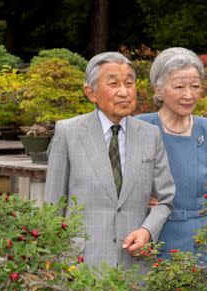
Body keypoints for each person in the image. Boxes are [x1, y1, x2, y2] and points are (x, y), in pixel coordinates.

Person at [45, 52, 175, 270]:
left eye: (129, 83)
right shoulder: (68, 132)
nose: (124, 92)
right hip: (81, 265)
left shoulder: (150, 135)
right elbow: (53, 205)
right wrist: (50, 260)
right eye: (113, 84)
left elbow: (166, 199)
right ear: (91, 93)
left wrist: (146, 231)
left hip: (135, 265)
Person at [136, 47, 207, 262]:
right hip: (156, 236)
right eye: (179, 86)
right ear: (159, 89)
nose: (188, 95)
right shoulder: (141, 127)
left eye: (195, 86)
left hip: (203, 240)